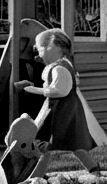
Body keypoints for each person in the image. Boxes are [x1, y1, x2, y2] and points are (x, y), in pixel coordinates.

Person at [17, 28, 102, 175]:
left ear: (53, 47)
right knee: (72, 143)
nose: (39, 53)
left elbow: (59, 91)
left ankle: (36, 176)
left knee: (46, 144)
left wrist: (34, 89)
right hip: (62, 107)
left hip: (62, 109)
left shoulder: (60, 68)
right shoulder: (60, 65)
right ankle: (94, 170)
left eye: (41, 49)